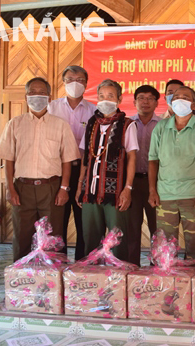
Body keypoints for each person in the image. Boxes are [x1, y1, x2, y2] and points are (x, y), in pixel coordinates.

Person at [0, 77, 80, 261]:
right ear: (26, 96)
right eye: (32, 92)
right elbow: (8, 159)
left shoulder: (60, 125)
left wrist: (64, 188)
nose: (37, 96)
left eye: (42, 92)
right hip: (22, 188)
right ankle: (22, 278)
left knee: (52, 237)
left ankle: (51, 277)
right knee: (22, 235)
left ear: (49, 97)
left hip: (51, 188)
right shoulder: (14, 124)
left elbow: (67, 160)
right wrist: (10, 189)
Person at [149, 86, 195, 265]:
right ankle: (165, 288)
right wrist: (152, 190)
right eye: (176, 96)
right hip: (165, 196)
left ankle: (193, 290)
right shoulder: (161, 127)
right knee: (165, 251)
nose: (180, 99)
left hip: (194, 197)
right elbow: (153, 160)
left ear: (194, 105)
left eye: (185, 97)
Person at [76, 79, 138, 261]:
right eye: (101, 96)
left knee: (117, 240)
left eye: (110, 96)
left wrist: (128, 189)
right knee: (90, 239)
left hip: (115, 192)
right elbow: (86, 157)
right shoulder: (91, 124)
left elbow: (132, 158)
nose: (105, 99)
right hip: (90, 191)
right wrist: (80, 185)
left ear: (119, 99)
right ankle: (91, 280)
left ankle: (118, 280)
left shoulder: (127, 125)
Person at [48, 65, 96, 260]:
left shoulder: (95, 110)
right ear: (63, 82)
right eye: (70, 79)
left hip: (85, 171)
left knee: (84, 221)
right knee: (57, 221)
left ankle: (82, 266)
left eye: (80, 80)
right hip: (57, 171)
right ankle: (57, 264)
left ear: (86, 83)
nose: (75, 83)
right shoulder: (51, 108)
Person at [127, 85, 161, 266]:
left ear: (156, 102)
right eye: (141, 98)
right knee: (132, 227)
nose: (145, 102)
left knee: (157, 227)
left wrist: (154, 187)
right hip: (132, 183)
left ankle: (158, 266)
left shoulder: (163, 125)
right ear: (134, 102)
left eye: (150, 98)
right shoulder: (127, 124)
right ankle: (132, 266)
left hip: (155, 183)